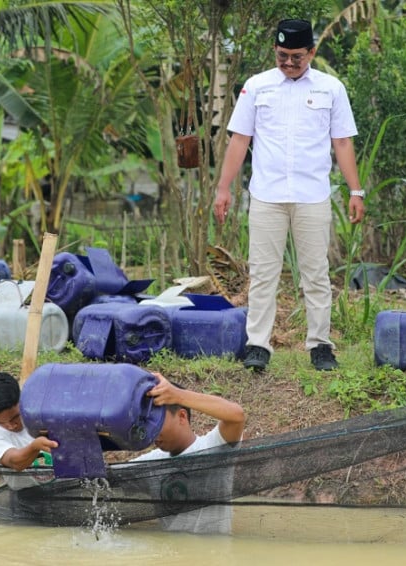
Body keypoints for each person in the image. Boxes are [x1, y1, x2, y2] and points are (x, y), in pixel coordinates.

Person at [213, 18, 365, 373]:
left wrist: (355, 190)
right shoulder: (257, 86)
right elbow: (239, 140)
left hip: (312, 195)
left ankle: (320, 345)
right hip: (267, 195)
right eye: (282, 55)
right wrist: (223, 188)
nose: (289, 63)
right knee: (264, 273)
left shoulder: (331, 88)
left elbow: (342, 141)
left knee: (315, 273)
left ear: (311, 52)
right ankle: (258, 345)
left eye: (297, 56)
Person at [130, 373, 246, 534]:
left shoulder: (214, 447)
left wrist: (178, 395)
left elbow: (237, 416)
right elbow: (105, 481)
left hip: (214, 555)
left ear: (182, 416)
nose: (152, 431)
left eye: (156, 422)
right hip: (169, 556)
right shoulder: (150, 464)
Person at [0, 372, 58, 489]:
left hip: (70, 489)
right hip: (27, 499)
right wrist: (35, 447)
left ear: (22, 401)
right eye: (1, 423)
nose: (10, 426)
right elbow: (15, 462)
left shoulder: (45, 415)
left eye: (15, 418)